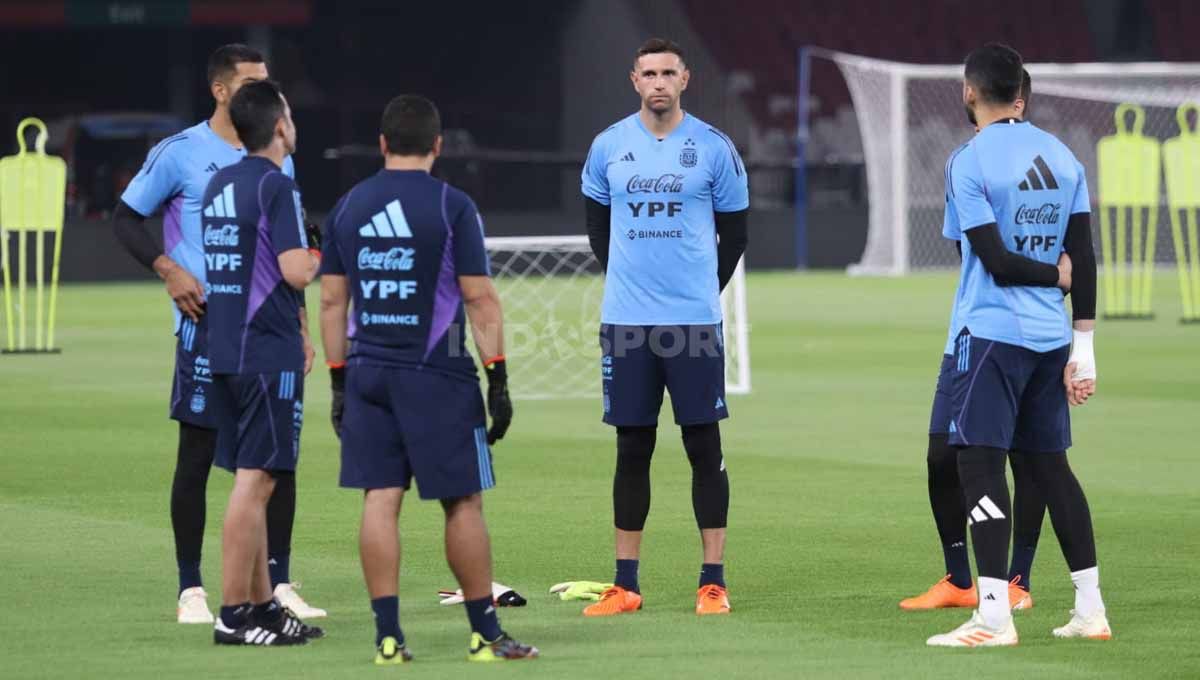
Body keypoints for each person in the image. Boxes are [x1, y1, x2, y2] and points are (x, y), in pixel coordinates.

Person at [318, 94, 537, 663]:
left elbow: (331, 301)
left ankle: (388, 638)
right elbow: (479, 297)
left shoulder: (348, 206)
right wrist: (499, 379)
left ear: (383, 144)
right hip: (437, 372)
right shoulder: (451, 206)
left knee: (380, 499)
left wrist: (340, 381)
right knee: (462, 503)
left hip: (368, 369)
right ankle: (485, 634)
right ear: (438, 146)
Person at [112, 43, 325, 623]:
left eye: (269, 83)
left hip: (273, 326)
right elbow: (126, 217)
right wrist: (169, 269)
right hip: (206, 326)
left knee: (275, 462)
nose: (267, 92)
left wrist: (302, 322)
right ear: (221, 90)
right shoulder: (180, 153)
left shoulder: (278, 160)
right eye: (255, 83)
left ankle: (276, 585)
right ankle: (192, 587)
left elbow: (284, 244)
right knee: (200, 452)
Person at [925, 44, 1108, 647]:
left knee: (976, 462)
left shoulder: (969, 160)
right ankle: (1090, 609)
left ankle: (995, 615)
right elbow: (1084, 256)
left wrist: (1051, 276)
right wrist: (1084, 347)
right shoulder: (1062, 156)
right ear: (1021, 93)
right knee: (1050, 468)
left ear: (969, 91)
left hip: (993, 337)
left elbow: (991, 261)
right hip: (1051, 340)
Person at [580, 37, 749, 617]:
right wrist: (636, 286)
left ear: (685, 79)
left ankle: (713, 582)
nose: (658, 82)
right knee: (633, 448)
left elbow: (737, 235)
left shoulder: (713, 148)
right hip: (627, 323)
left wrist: (699, 291)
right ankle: (625, 585)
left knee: (704, 445)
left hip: (692, 323)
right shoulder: (607, 147)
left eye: (667, 73)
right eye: (648, 73)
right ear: (634, 81)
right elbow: (599, 234)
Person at [901, 68, 1049, 612]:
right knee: (943, 455)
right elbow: (966, 251)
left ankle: (1018, 580)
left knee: (1026, 455)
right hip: (968, 331)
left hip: (1025, 330)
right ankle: (959, 578)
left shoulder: (1047, 162)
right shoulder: (964, 163)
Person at [203, 80, 322, 646]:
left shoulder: (221, 183)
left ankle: (260, 608)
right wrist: (322, 250)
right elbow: (296, 270)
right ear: (280, 126)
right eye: (291, 115)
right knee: (255, 482)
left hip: (224, 346)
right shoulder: (277, 186)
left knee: (256, 480)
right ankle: (232, 615)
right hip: (263, 350)